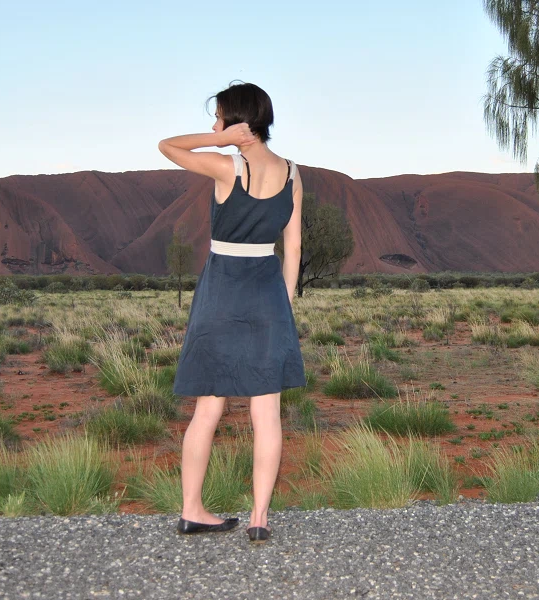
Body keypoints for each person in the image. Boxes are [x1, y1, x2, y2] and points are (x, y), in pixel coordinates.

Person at [156, 82, 307, 543]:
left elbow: (166, 146)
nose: (213, 125)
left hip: (223, 287)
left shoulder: (226, 167)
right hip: (266, 289)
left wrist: (221, 141)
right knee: (268, 412)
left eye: (218, 116)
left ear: (237, 120)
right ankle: (259, 517)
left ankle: (191, 510)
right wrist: (282, 303)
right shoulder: (293, 173)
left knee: (208, 408)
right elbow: (294, 247)